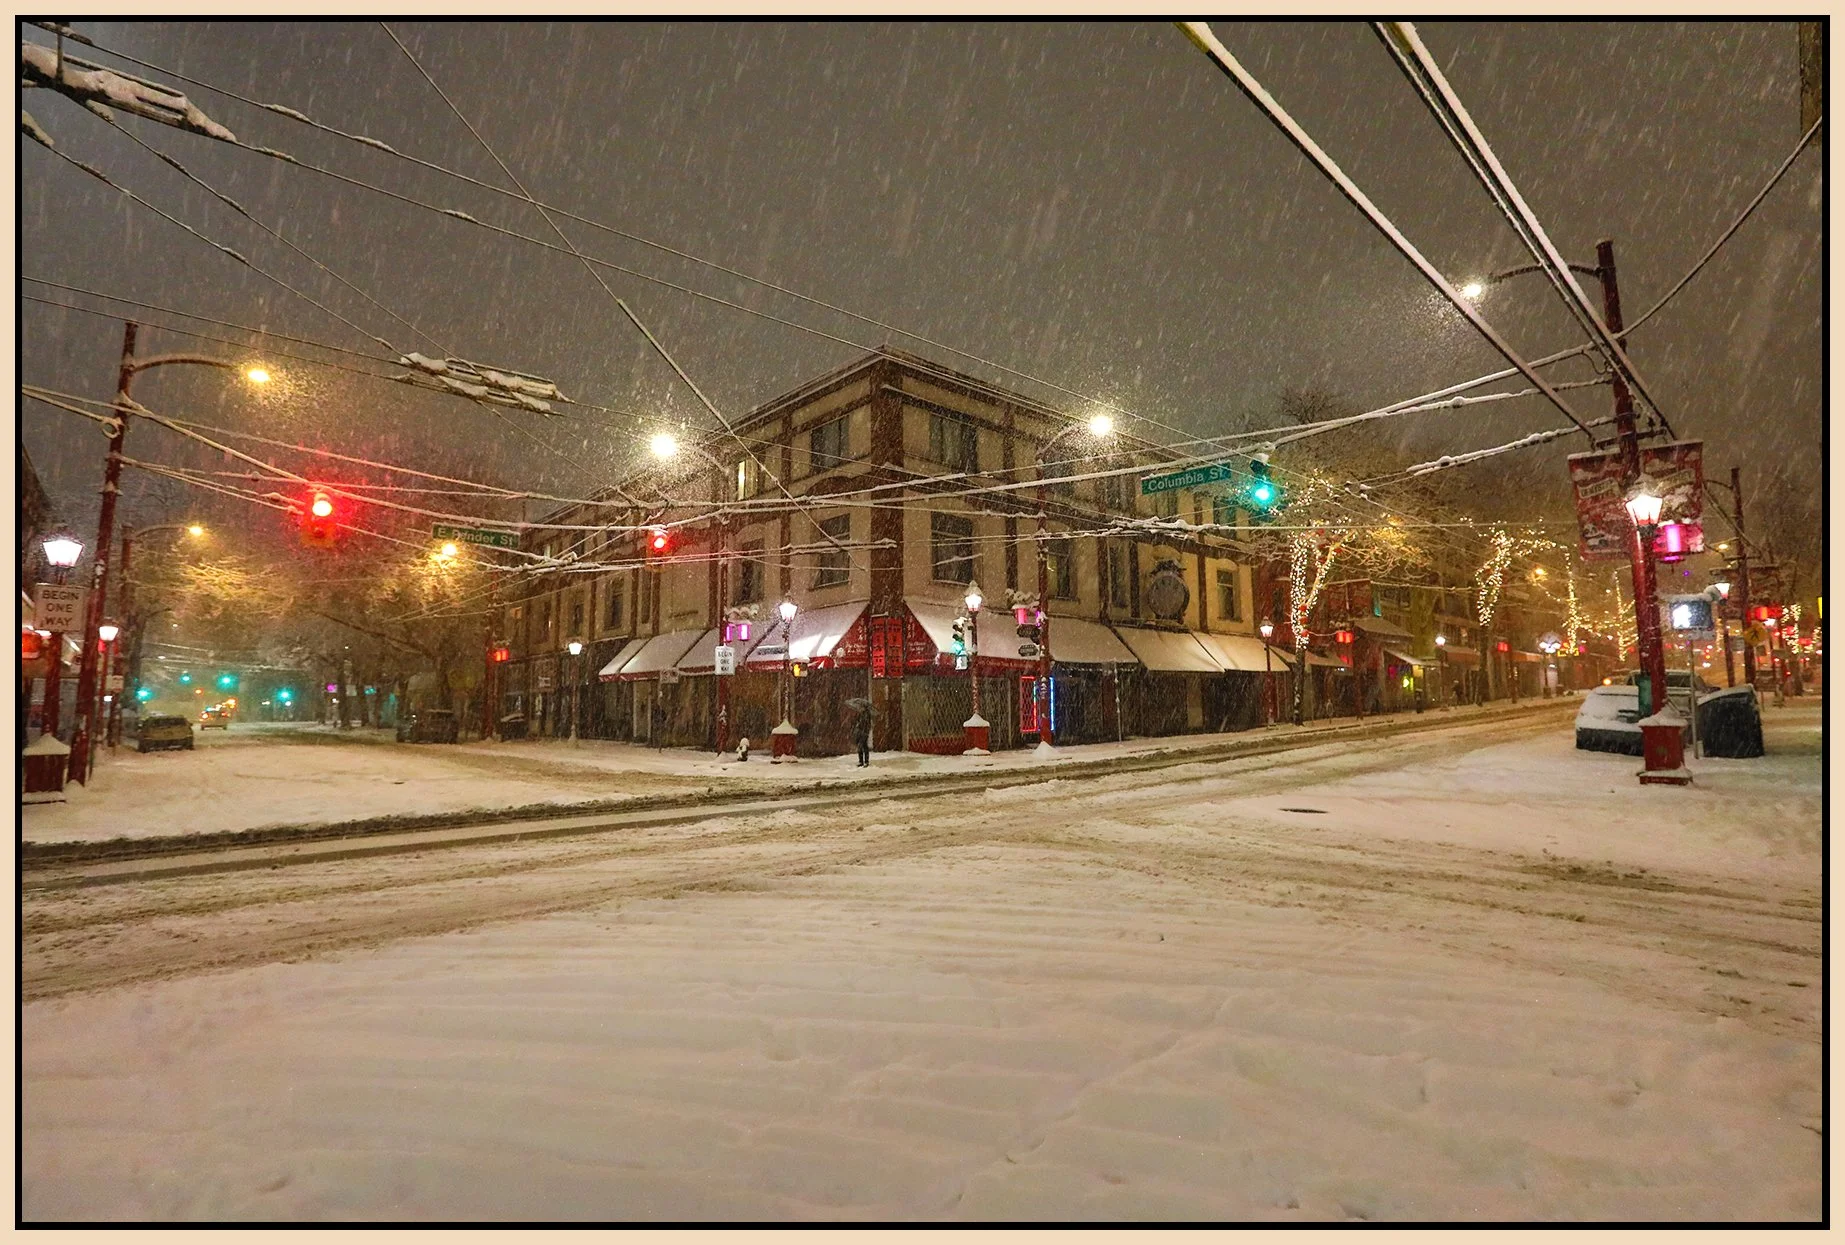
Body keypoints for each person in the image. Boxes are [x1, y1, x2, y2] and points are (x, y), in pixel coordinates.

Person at [852, 700, 872, 767]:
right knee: (863, 746)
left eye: (861, 707)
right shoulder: (861, 714)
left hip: (864, 732)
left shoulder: (866, 714)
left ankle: (864, 761)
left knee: (861, 746)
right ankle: (862, 761)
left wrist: (860, 725)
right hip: (860, 732)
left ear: (864, 707)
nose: (859, 708)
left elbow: (866, 724)